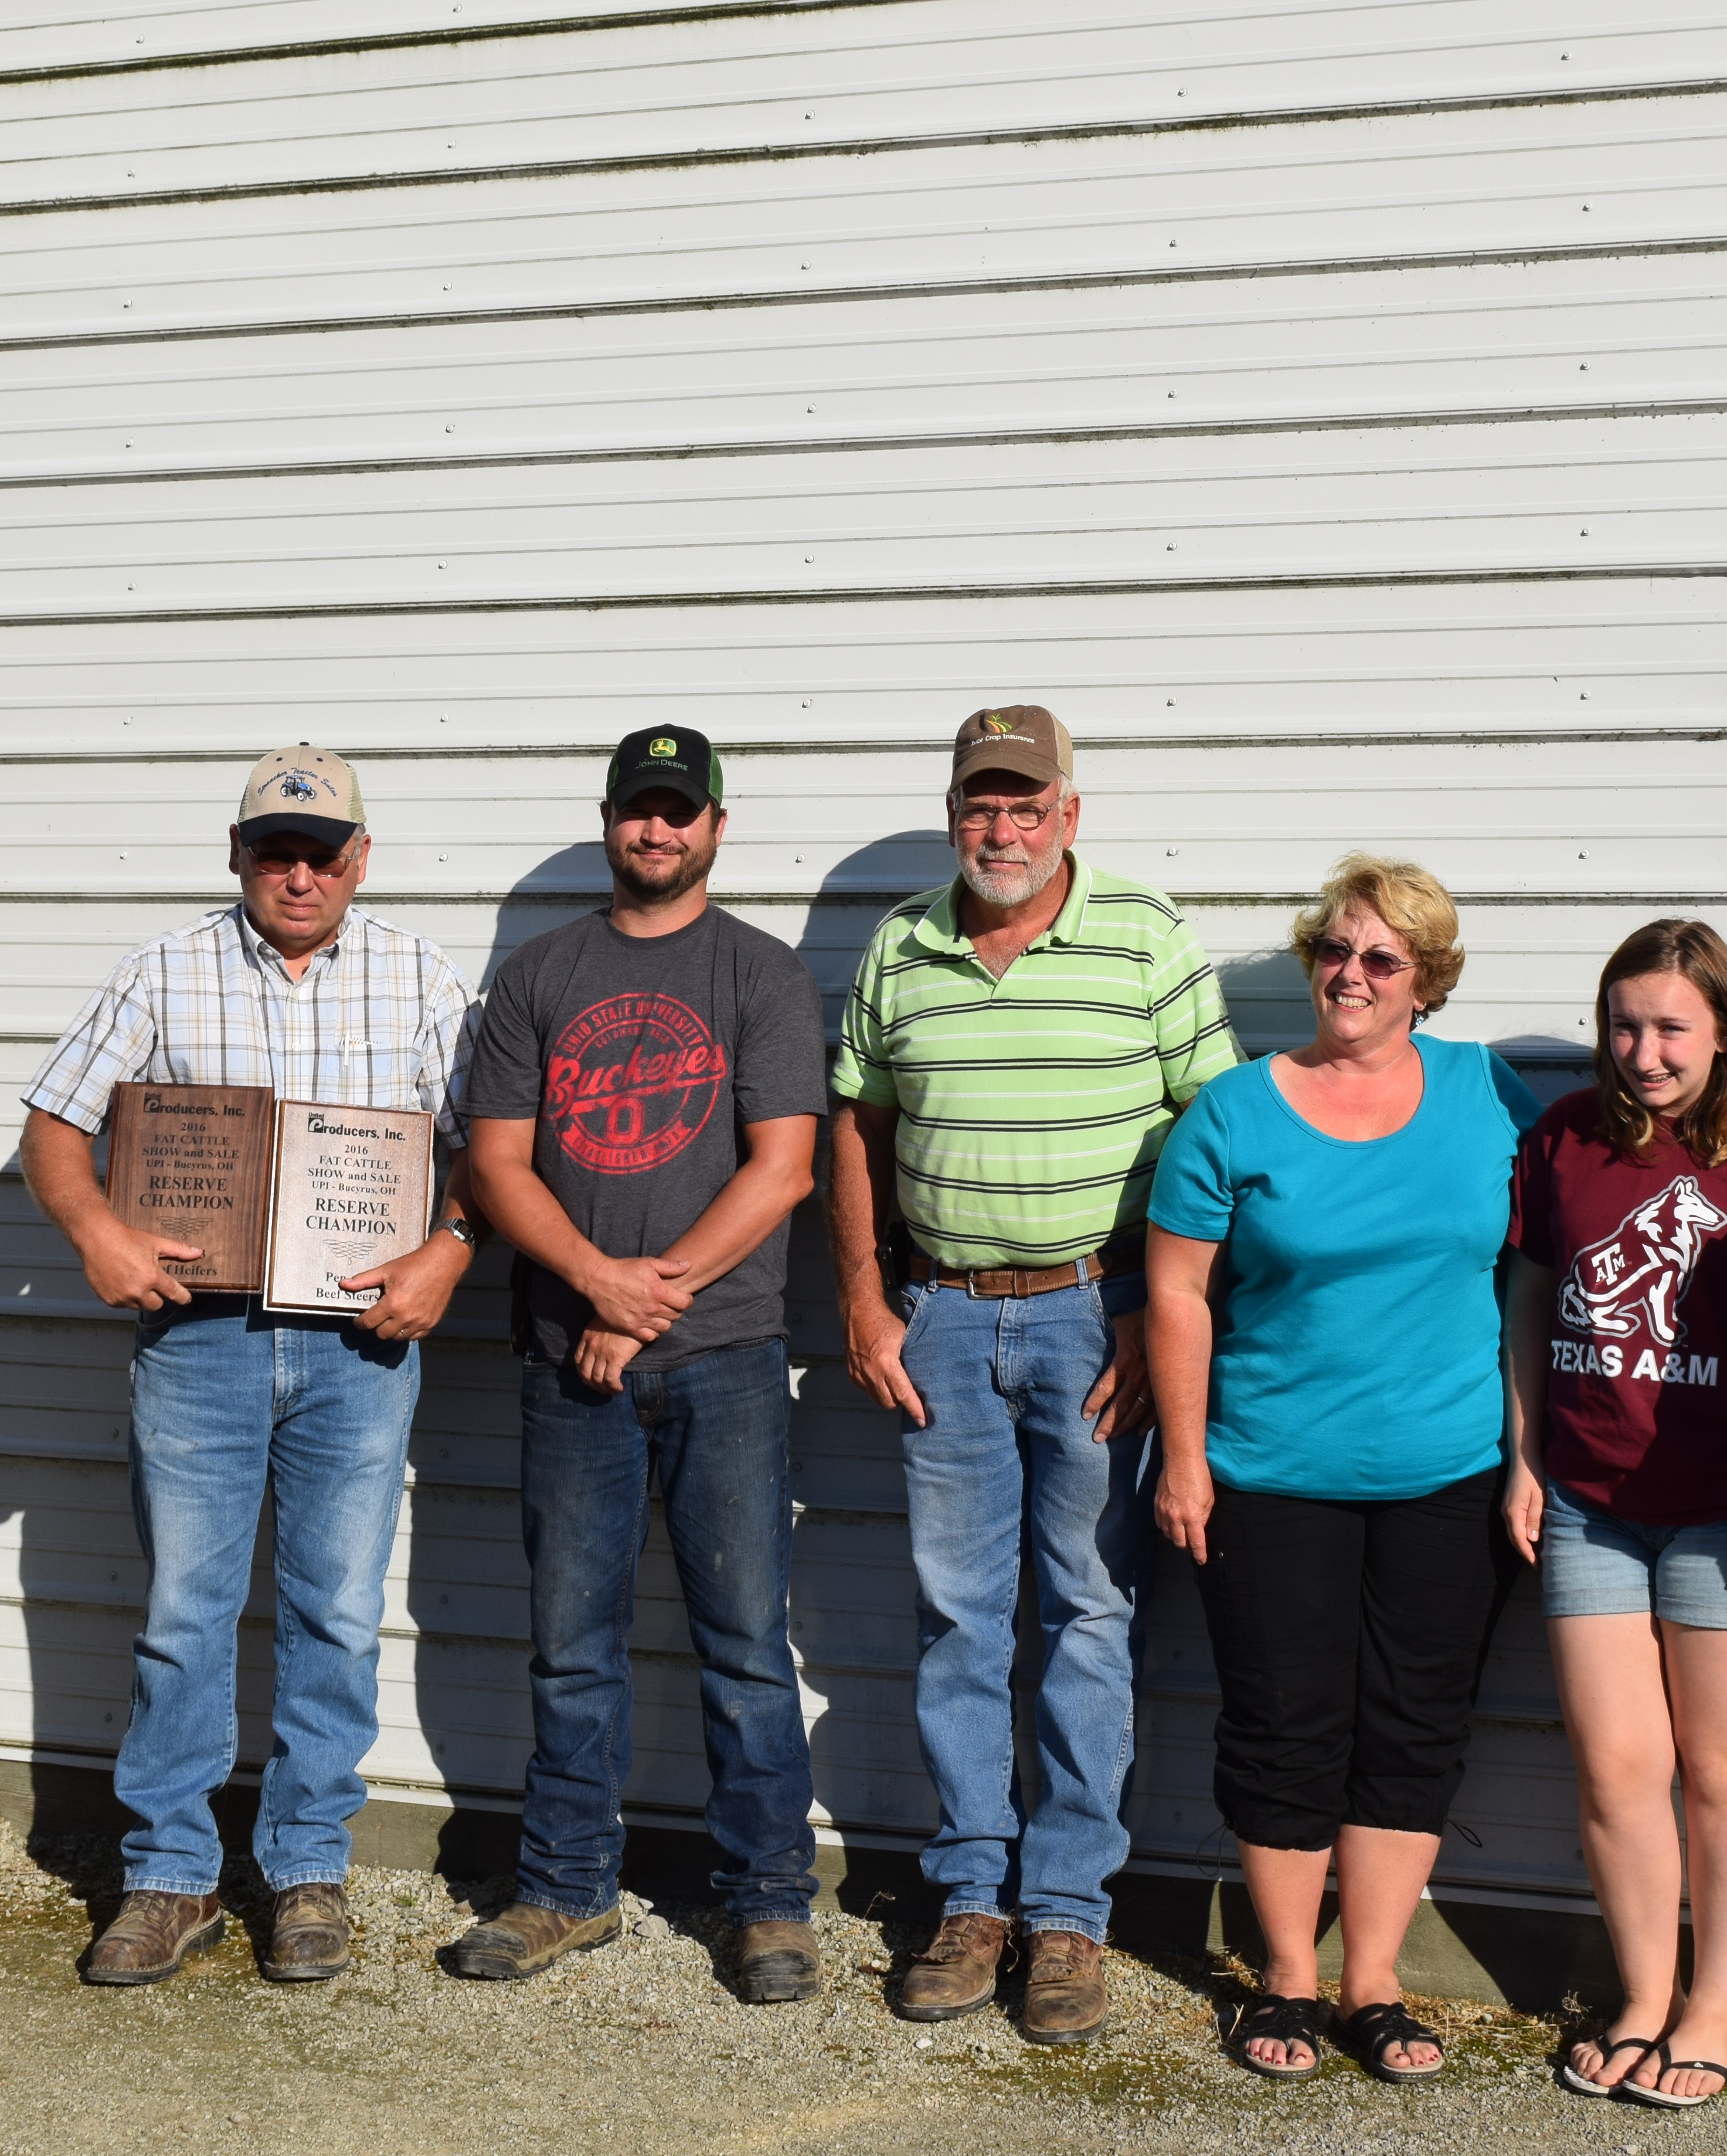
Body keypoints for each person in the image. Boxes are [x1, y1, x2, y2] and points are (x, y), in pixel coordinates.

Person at [19, 746, 478, 1989]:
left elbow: (491, 1139)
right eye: (274, 848)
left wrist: (448, 1249)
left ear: (358, 861)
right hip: (199, 1338)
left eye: (321, 852)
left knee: (335, 1611)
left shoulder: (418, 976)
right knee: (183, 1615)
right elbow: (55, 1125)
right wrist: (99, 1233)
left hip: (358, 1346)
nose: (297, 872)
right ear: (236, 852)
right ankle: (169, 1876)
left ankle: (305, 1866)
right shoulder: (164, 970)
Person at [828, 705, 1239, 2044]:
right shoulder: (902, 944)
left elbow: (1210, 1132)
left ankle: (1067, 1915)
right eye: (977, 806)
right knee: (957, 1619)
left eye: (1023, 805)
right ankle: (968, 1899)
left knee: (1087, 1613)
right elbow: (857, 1123)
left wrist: (1157, 1312)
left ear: (1070, 812)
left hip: (1097, 1316)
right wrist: (860, 1296)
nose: (998, 830)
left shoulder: (1143, 935)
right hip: (943, 1316)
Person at [446, 726, 827, 2002]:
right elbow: (497, 1164)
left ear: (714, 828)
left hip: (721, 1359)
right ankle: (563, 1888)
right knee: (569, 1644)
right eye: (636, 812)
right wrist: (596, 1284)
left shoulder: (759, 976)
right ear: (608, 820)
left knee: (743, 1645)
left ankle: (770, 1902)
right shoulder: (539, 977)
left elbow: (785, 1168)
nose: (655, 833)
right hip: (568, 1361)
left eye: (678, 813)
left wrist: (646, 1297)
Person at [1148, 855, 1539, 2086]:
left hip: (1449, 1474)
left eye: (1381, 958)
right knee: (1283, 1724)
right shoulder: (1234, 1111)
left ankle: (1373, 1980)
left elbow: (1562, 1246)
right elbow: (1174, 1293)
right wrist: (1181, 1458)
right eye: (1335, 949)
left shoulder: (1490, 1095)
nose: (1350, 974)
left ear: (1425, 981)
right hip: (1268, 1473)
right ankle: (1285, 1979)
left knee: (1413, 1726)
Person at [1501, 919, 1727, 2107]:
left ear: (1721, 1034)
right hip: (1589, 1501)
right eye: (1624, 1026)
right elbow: (1529, 1300)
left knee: (1724, 1776)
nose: (1643, 1053)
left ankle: (1712, 2011)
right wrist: (1524, 1456)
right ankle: (1642, 1996)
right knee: (1615, 1770)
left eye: (1669, 1029)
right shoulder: (1565, 1138)